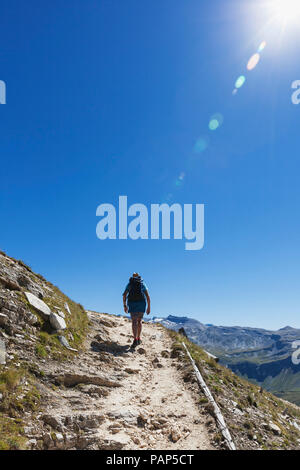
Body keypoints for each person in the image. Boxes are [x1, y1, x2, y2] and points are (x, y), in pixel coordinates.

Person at [122, 273, 151, 348]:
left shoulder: (130, 284)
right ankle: (138, 338)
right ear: (139, 277)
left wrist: (125, 305)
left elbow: (124, 295)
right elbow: (147, 296)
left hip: (132, 303)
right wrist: (148, 307)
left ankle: (135, 339)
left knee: (134, 321)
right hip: (141, 303)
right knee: (139, 321)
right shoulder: (142, 284)